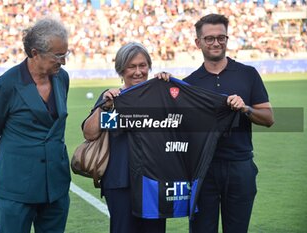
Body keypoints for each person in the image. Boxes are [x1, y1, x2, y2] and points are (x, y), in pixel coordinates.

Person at [0, 17, 71, 233]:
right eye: (58, 55)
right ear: (35, 52)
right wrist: (14, 159)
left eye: (66, 54)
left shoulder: (62, 78)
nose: (64, 61)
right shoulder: (5, 85)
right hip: (16, 188)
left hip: (56, 186)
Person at [183, 14, 275, 233]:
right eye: (209, 38)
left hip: (240, 166)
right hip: (203, 170)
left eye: (221, 37)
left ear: (227, 39)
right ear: (198, 43)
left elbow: (269, 118)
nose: (216, 42)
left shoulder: (248, 74)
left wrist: (246, 109)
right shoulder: (190, 84)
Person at [82, 42, 168, 233]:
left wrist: (168, 88)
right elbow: (90, 133)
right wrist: (104, 106)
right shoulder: (114, 99)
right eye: (132, 66)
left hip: (154, 181)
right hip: (120, 181)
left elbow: (180, 123)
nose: (138, 72)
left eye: (142, 65)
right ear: (121, 70)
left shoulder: (159, 96)